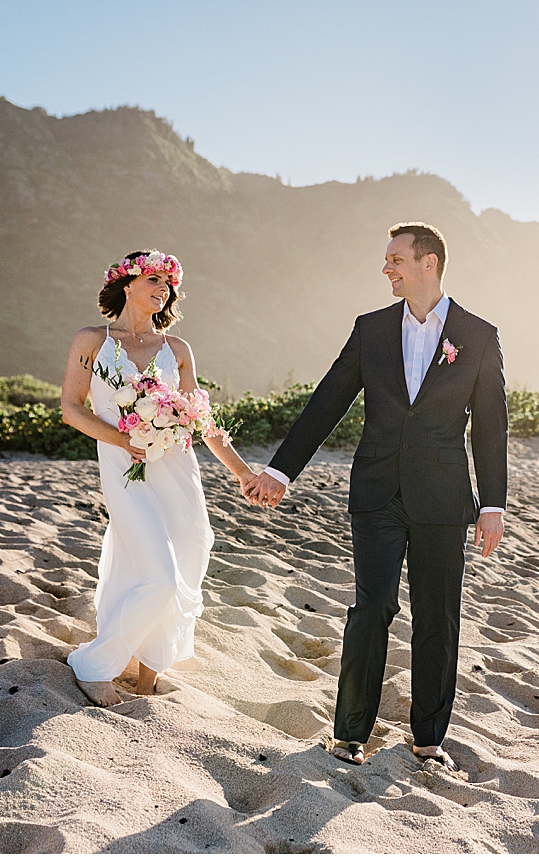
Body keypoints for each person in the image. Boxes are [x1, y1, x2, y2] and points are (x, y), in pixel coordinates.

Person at [243, 222, 508, 770]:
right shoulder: (371, 329)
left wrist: (492, 504)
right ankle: (350, 733)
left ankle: (430, 737)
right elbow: (327, 402)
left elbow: (490, 426)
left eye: (395, 259)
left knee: (438, 616)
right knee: (372, 608)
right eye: (387, 260)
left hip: (442, 497)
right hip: (376, 493)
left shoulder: (478, 336)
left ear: (428, 263)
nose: (386, 267)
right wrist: (281, 472)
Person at [60, 250, 258, 706]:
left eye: (168, 282)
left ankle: (148, 673)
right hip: (126, 469)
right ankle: (93, 665)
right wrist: (120, 437)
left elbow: (201, 419)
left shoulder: (178, 349)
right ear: (126, 284)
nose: (162, 287)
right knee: (159, 575)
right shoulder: (91, 340)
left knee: (189, 560)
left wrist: (243, 473)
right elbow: (72, 409)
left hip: (178, 471)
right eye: (153, 278)